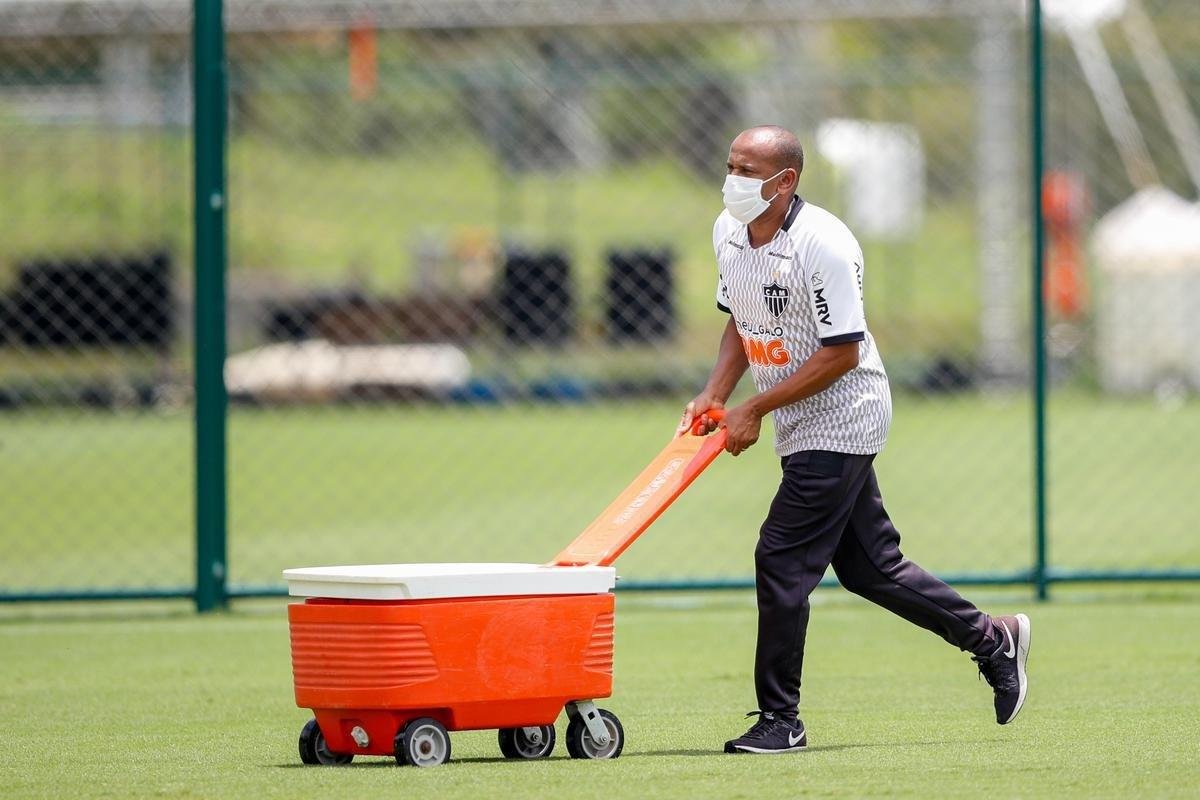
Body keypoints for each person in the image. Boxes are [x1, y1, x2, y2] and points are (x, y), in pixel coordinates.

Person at [679, 125, 1031, 755]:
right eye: (730, 164)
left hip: (845, 414)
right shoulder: (727, 231)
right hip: (793, 415)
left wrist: (753, 408)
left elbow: (841, 353)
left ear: (786, 181)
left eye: (748, 170)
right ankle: (992, 639)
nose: (733, 179)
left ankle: (780, 720)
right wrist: (716, 395)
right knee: (872, 568)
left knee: (781, 558)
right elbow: (740, 315)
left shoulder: (826, 245)